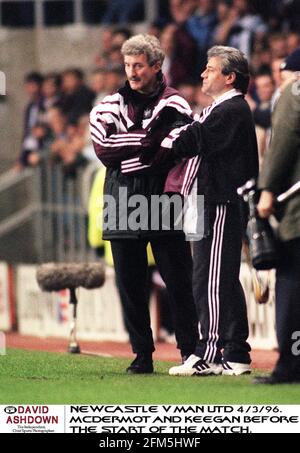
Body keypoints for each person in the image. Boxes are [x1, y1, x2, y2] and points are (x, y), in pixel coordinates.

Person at [89, 34, 198, 374]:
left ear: (156, 66)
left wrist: (135, 153)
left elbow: (175, 147)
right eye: (127, 65)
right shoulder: (109, 103)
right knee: (130, 284)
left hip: (165, 196)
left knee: (178, 280)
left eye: (138, 65)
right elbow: (104, 150)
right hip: (121, 197)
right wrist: (148, 143)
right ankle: (142, 355)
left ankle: (190, 352)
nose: (131, 72)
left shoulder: (176, 103)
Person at [161, 45, 259, 376]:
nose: (203, 73)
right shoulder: (222, 109)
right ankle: (236, 352)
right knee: (222, 279)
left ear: (230, 77)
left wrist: (171, 136)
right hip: (208, 201)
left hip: (219, 203)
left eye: (211, 69)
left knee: (210, 279)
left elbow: (189, 140)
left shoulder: (231, 110)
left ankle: (211, 352)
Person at [255, 48, 300, 384]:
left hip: (296, 211)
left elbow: (281, 141)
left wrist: (267, 189)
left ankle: (290, 363)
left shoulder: (292, 94)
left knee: (292, 287)